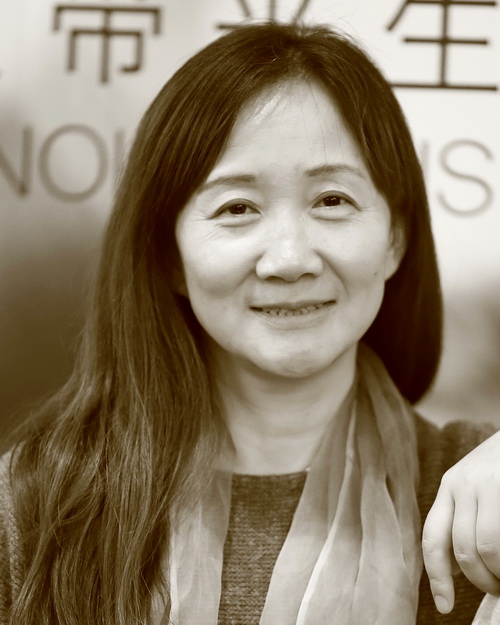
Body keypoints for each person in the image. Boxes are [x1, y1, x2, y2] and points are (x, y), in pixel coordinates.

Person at [1, 21, 499, 625]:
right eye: (237, 207)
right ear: (169, 257)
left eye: (332, 200)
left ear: (395, 238)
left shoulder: (478, 497)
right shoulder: (40, 504)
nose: (289, 259)